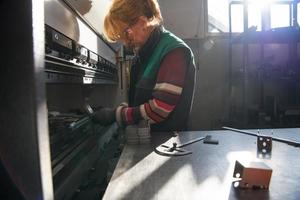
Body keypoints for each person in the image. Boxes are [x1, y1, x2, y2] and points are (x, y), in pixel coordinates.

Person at [88, 0, 196, 131]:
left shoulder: (174, 51)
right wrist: (120, 110)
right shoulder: (143, 55)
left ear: (142, 22)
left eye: (126, 33)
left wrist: (115, 115)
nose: (126, 43)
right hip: (151, 140)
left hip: (169, 144)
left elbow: (159, 110)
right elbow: (140, 102)